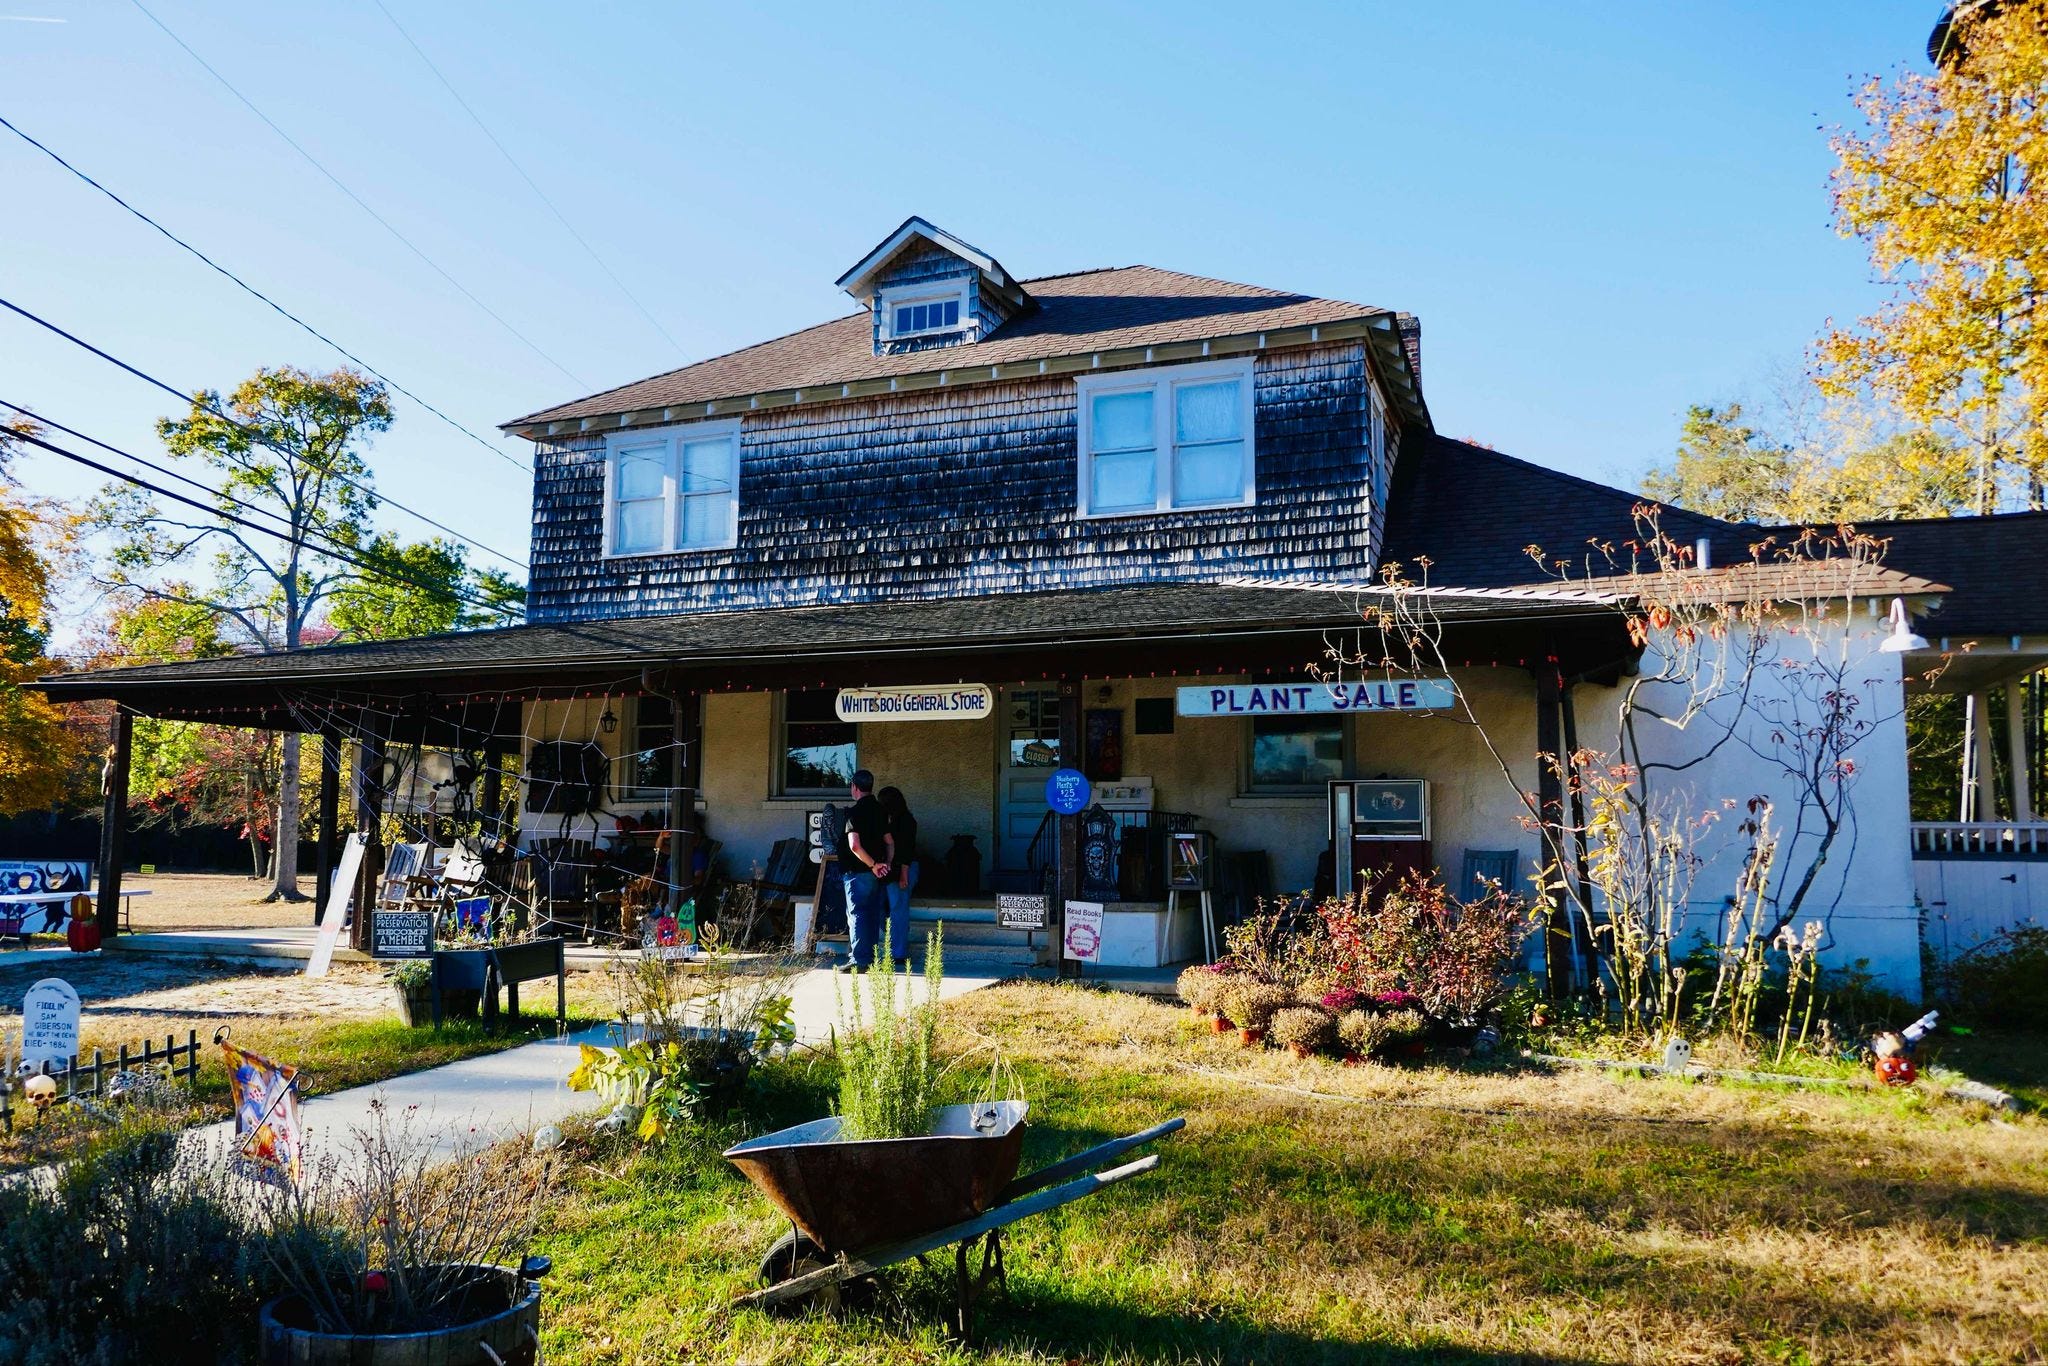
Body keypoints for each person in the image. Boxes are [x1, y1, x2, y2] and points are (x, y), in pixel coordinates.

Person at [836, 769, 891, 971]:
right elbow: (889, 841)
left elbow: (855, 845)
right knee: (873, 914)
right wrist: (887, 863)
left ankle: (859, 959)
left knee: (857, 913)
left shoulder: (854, 812)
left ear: (854, 787)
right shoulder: (881, 810)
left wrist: (872, 864)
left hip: (858, 871)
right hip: (876, 873)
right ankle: (872, 958)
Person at [875, 786, 919, 971]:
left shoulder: (907, 821)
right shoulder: (887, 820)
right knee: (883, 908)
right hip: (889, 869)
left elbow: (907, 849)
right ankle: (889, 946)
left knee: (898, 909)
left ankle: (898, 953)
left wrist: (904, 873)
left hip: (904, 867)